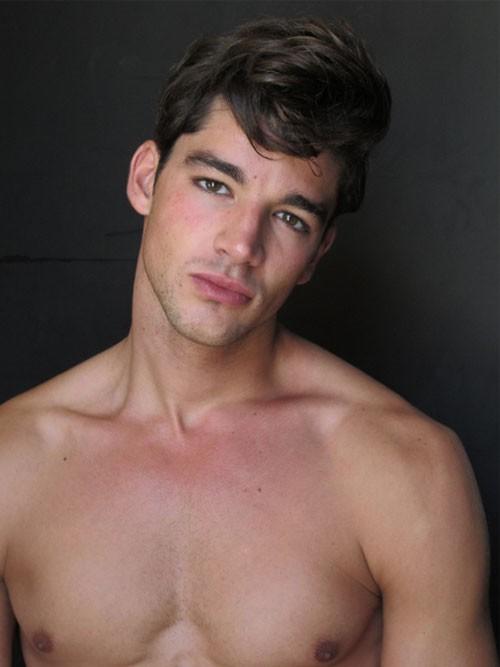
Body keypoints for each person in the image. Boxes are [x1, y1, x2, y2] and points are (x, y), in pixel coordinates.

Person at [0, 15, 496, 667]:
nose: (241, 245)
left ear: (317, 252)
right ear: (146, 178)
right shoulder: (13, 460)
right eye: (215, 185)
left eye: (289, 216)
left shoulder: (407, 469)